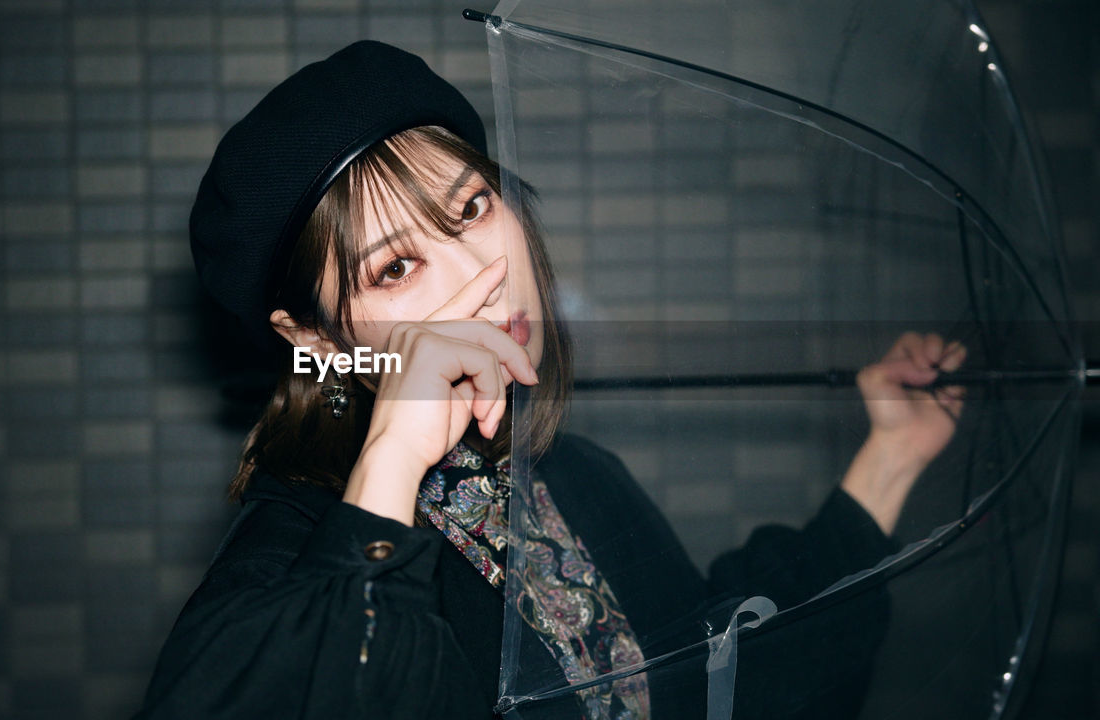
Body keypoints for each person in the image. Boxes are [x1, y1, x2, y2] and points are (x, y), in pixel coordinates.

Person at [134, 41, 966, 720]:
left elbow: (712, 668)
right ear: (314, 335)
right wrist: (390, 459)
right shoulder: (292, 548)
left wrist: (890, 457)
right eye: (395, 267)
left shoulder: (571, 472)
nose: (486, 272)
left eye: (471, 209)